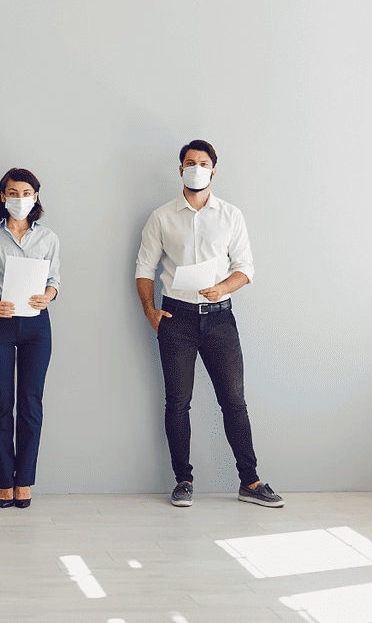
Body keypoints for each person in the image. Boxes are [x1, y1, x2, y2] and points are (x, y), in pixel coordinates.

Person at [135, 139, 283, 508]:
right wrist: (150, 311)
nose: (196, 168)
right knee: (177, 403)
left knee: (234, 402)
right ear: (180, 169)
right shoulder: (161, 217)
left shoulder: (231, 215)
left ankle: (250, 481)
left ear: (213, 170)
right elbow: (144, 268)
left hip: (219, 319)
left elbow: (245, 268)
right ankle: (183, 481)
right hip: (176, 320)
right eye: (190, 162)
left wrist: (222, 288)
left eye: (203, 163)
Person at [0, 168, 60, 509]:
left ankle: (24, 481)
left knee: (31, 404)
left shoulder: (48, 238)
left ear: (36, 197)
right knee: (1, 402)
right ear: (2, 197)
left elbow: (55, 280)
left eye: (26, 193)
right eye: (12, 192)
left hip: (36, 326)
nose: (19, 199)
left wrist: (48, 295)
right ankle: (4, 481)